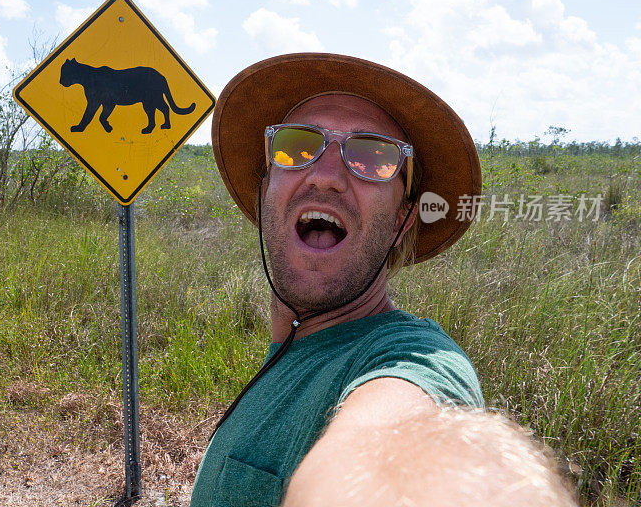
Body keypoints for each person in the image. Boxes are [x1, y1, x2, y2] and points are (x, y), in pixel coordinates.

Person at [189, 53, 577, 507]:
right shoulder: (294, 346)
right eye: (296, 146)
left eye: (373, 157)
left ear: (400, 222)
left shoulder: (409, 361)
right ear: (267, 191)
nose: (327, 176)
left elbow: (396, 453)